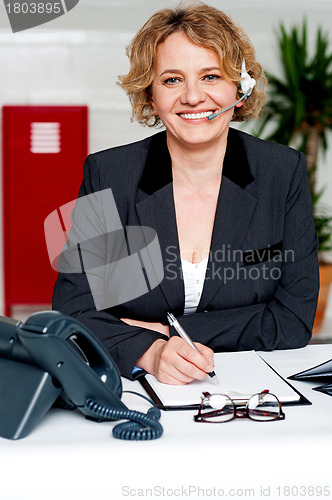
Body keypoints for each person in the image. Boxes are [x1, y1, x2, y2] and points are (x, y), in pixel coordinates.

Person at [52, 3, 319, 385]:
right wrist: (151, 353)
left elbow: (292, 319)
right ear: (150, 96)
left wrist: (164, 333)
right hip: (139, 389)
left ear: (240, 89)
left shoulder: (282, 171)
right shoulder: (110, 176)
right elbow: (74, 311)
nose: (193, 97)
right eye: (172, 80)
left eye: (211, 76)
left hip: (250, 389)